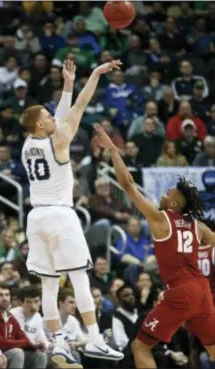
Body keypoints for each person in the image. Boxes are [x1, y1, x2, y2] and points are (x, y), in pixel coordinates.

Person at [21, 59, 124, 368]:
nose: (54, 117)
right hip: (60, 216)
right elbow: (78, 107)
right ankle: (94, 339)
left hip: (35, 217)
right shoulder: (60, 140)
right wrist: (93, 75)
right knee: (79, 278)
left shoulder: (28, 144)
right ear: (41, 124)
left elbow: (63, 114)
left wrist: (68, 82)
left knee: (50, 285)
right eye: (48, 116)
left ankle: (59, 345)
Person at [94, 123, 215, 368]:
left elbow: (127, 184)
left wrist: (115, 152)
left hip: (181, 290)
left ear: (176, 202)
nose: (163, 194)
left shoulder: (161, 218)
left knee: (140, 346)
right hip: (202, 290)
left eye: (168, 192)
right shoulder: (198, 227)